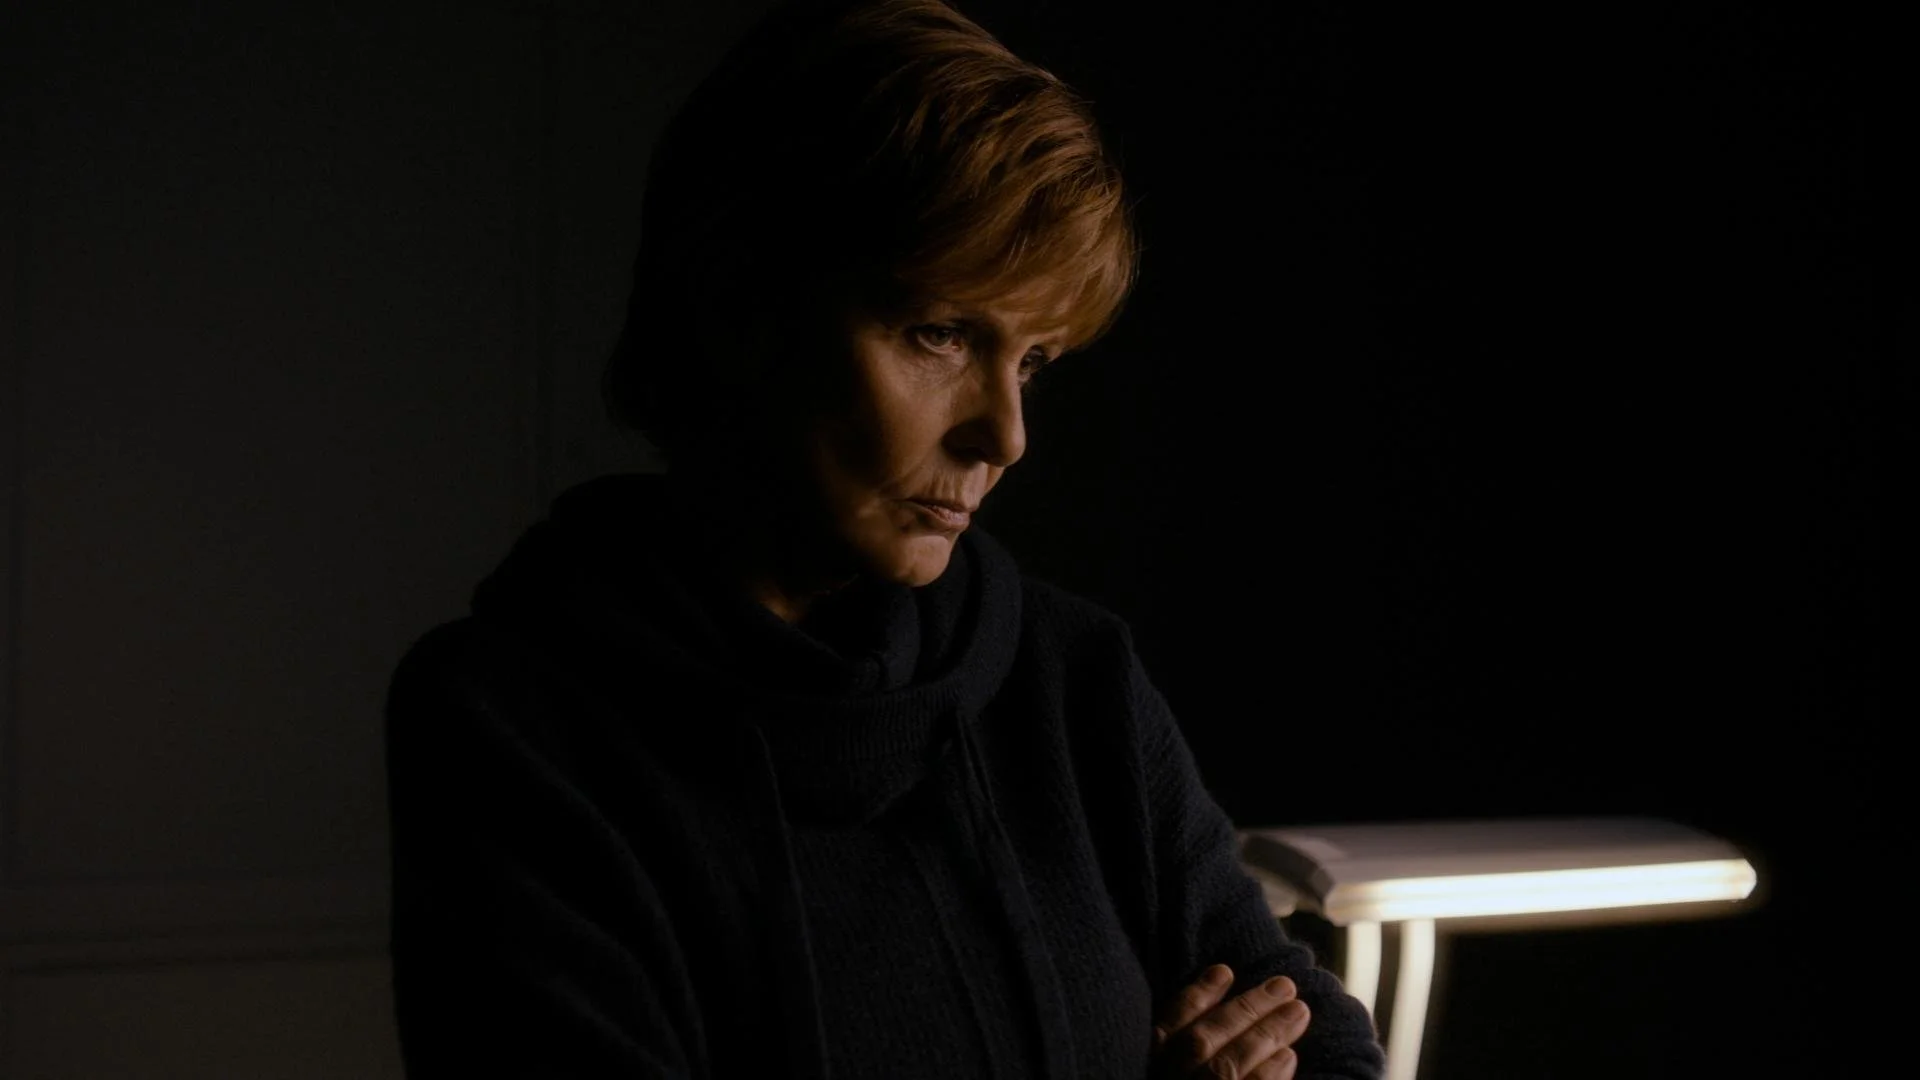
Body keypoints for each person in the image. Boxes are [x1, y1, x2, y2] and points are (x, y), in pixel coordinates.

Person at [383, 1, 1387, 1077]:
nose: (1005, 435)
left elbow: (1317, 1044)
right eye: (941, 334)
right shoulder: (511, 722)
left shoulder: (1070, 676)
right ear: (737, 307)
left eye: (1033, 361)